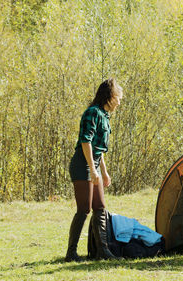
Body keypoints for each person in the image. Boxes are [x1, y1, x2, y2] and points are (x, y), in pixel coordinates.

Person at [65, 78, 123, 262]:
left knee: (100, 207)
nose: (120, 102)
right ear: (110, 96)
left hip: (94, 164)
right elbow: (86, 142)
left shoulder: (105, 117)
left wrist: (103, 171)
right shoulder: (92, 113)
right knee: (84, 209)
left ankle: (103, 252)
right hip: (82, 165)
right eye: (118, 98)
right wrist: (92, 168)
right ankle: (71, 254)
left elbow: (99, 149)